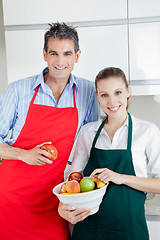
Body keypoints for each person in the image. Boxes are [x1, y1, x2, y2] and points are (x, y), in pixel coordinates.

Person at [0, 22, 100, 240]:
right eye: (54, 53)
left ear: (77, 56)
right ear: (44, 55)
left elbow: (89, 146)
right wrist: (23, 154)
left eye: (67, 53)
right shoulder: (18, 90)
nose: (60, 61)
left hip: (55, 199)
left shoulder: (88, 91)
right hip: (11, 200)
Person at [58, 67, 160, 240]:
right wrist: (63, 206)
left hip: (129, 229)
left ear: (128, 91)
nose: (112, 101)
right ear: (97, 96)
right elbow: (72, 179)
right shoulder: (88, 132)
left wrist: (120, 177)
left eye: (118, 92)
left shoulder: (147, 131)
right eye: (104, 95)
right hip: (89, 227)